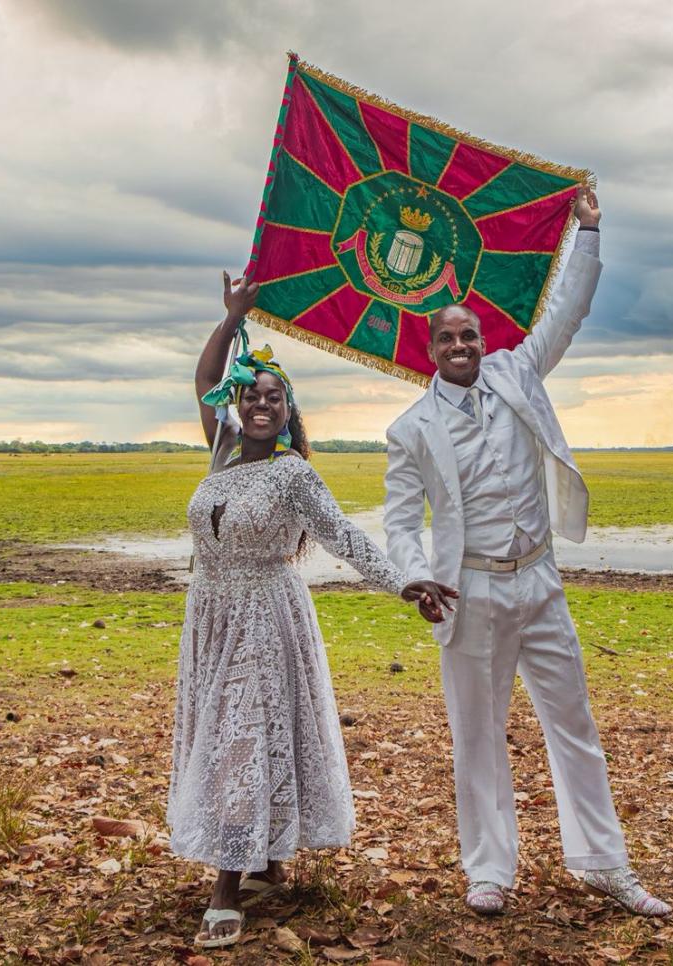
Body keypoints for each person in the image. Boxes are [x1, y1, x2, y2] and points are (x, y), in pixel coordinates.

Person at [383, 188, 672, 918]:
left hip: (540, 580)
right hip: (469, 590)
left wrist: (589, 233)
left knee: (574, 723)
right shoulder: (411, 429)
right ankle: (489, 871)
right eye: (448, 339)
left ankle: (605, 864)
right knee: (477, 736)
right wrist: (414, 576)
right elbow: (400, 520)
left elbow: (566, 313)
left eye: (470, 335)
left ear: (483, 340)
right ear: (430, 350)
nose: (461, 347)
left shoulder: (517, 372)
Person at [170, 272, 455, 949]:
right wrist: (232, 318)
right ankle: (267, 864)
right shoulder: (222, 454)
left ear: (287, 410)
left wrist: (405, 582)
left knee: (239, 738)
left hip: (265, 617)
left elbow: (345, 538)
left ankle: (226, 888)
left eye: (275, 397)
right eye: (252, 394)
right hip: (210, 616)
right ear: (237, 403)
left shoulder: (294, 474)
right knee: (228, 734)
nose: (262, 404)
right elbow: (204, 377)